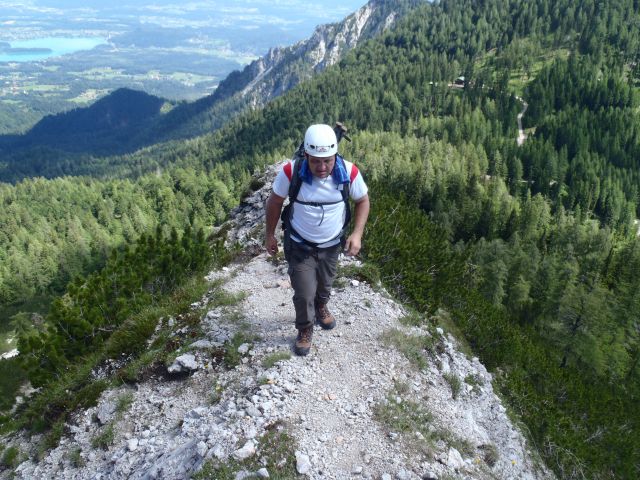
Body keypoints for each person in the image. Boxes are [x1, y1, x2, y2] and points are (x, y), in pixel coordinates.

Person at [264, 123, 370, 356]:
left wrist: (357, 233)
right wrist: (270, 234)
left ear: (335, 155)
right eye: (315, 161)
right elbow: (274, 201)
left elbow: (363, 200)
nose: (322, 167)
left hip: (332, 245)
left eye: (327, 161)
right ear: (306, 155)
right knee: (303, 293)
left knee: (325, 284)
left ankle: (321, 306)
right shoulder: (291, 172)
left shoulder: (349, 172)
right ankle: (305, 328)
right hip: (300, 244)